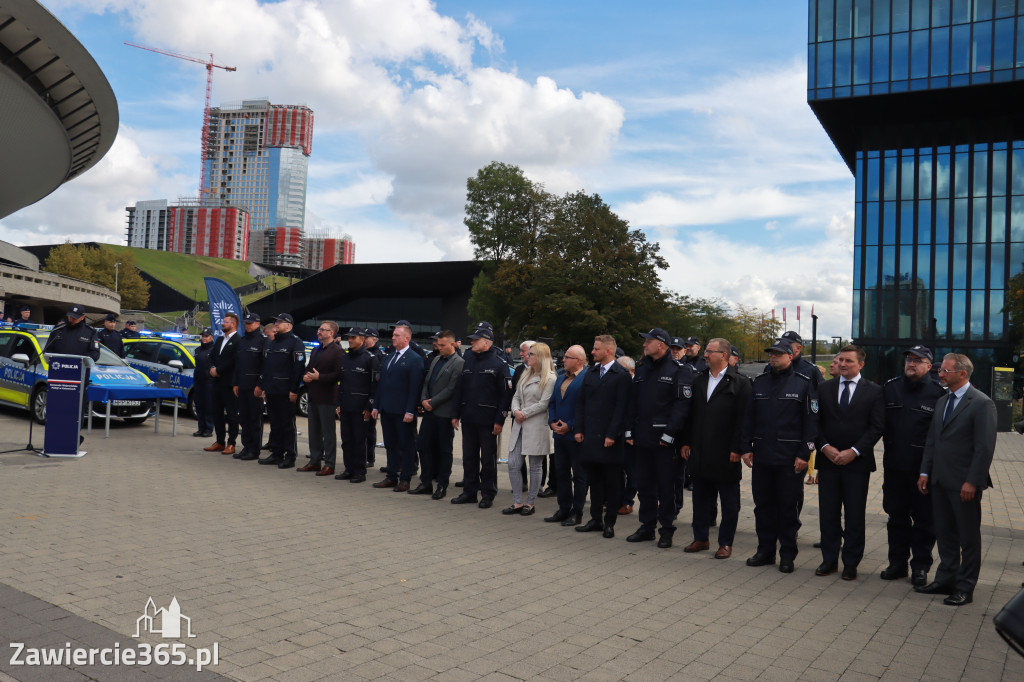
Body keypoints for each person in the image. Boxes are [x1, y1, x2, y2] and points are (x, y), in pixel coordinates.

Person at [916, 353, 997, 607]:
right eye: (940, 370)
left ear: (962, 374)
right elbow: (932, 441)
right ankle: (945, 579)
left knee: (968, 538)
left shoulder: (981, 403)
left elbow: (984, 449)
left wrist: (972, 481)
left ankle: (965, 587)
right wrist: (925, 472)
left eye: (945, 371)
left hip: (964, 485)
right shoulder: (943, 401)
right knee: (945, 534)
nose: (940, 374)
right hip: (939, 481)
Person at [740, 339, 818, 574]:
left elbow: (812, 422)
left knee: (787, 508)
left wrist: (805, 453)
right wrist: (745, 446)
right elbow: (748, 418)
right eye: (771, 353)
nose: (773, 357)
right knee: (763, 506)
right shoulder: (760, 382)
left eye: (778, 354)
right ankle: (765, 550)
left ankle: (787, 554)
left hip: (789, 458)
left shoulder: (804, 383)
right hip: (763, 455)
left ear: (790, 356)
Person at [813, 345, 884, 581]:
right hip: (829, 461)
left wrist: (854, 451)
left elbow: (876, 427)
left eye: (849, 361)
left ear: (861, 365)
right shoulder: (824, 388)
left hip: (857, 464)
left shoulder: (874, 391)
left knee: (854, 516)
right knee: (828, 514)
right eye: (840, 360)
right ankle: (829, 559)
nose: (843, 364)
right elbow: (815, 423)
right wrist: (825, 448)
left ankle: (851, 563)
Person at [681, 338, 751, 559]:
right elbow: (690, 415)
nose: (706, 355)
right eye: (707, 351)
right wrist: (686, 441)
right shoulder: (698, 380)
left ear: (723, 355)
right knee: (700, 498)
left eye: (710, 351)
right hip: (701, 450)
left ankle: (726, 542)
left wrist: (738, 447)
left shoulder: (740, 383)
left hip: (726, 452)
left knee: (729, 502)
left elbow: (744, 420)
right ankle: (701, 538)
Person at [880, 345, 945, 586]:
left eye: (918, 360)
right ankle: (897, 563)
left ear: (929, 366)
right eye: (909, 359)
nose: (911, 363)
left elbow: (940, 437)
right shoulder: (891, 388)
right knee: (896, 517)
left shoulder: (938, 394)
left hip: (922, 472)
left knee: (924, 521)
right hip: (895, 467)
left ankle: (920, 566)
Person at [625, 328, 692, 548]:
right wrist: (629, 431)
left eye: (648, 341)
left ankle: (666, 530)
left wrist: (670, 434)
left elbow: (682, 406)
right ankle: (647, 526)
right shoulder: (642, 368)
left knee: (666, 488)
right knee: (644, 485)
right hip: (642, 438)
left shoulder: (678, 370)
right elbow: (632, 403)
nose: (644, 345)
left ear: (660, 345)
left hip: (665, 441)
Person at [574, 335, 632, 537]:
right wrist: (579, 429)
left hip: (610, 440)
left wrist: (612, 434)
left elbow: (621, 408)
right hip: (590, 436)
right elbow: (581, 403)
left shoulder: (621, 375)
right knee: (595, 481)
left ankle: (610, 523)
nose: (592, 352)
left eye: (596, 349)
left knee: (613, 483)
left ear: (608, 351)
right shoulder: (591, 372)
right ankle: (595, 519)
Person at [451, 321, 510, 509]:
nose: (472, 343)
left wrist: (500, 420)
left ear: (487, 342)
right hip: (468, 417)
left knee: (487, 460)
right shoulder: (467, 360)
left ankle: (488, 493)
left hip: (488, 421)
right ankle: (469, 492)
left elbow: (505, 395)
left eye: (476, 340)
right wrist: (455, 414)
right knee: (468, 458)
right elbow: (459, 389)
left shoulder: (499, 364)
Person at [502, 342, 557, 516]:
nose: (527, 356)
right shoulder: (526, 373)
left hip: (535, 426)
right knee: (513, 463)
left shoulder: (550, 378)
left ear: (541, 357)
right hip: (520, 424)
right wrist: (516, 411)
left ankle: (530, 503)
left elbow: (544, 403)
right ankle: (517, 502)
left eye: (531, 354)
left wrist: (523, 413)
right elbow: (516, 395)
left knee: (535, 466)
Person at [371, 321, 424, 491]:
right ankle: (391, 476)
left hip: (403, 411)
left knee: (406, 445)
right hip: (387, 409)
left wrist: (410, 410)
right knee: (390, 444)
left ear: (407, 338)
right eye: (393, 335)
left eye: (396, 335)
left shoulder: (414, 359)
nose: (393, 337)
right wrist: (376, 406)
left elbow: (415, 388)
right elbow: (382, 384)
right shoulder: (389, 357)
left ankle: (405, 478)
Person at [414, 330, 463, 498]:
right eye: (437, 344)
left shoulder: (459, 363)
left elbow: (451, 388)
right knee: (423, 445)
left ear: (452, 344)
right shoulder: (435, 359)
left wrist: (432, 403)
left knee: (444, 450)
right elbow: (427, 382)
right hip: (429, 412)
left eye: (442, 345)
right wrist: (423, 400)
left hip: (444, 413)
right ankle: (425, 482)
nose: (438, 347)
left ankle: (442, 485)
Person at [546, 345, 588, 525]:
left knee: (579, 476)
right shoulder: (561, 377)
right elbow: (553, 402)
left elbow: (587, 407)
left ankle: (577, 511)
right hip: (559, 435)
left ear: (579, 361)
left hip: (575, 435)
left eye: (567, 357)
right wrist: (552, 421)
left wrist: (570, 426)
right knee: (561, 473)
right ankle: (563, 508)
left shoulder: (587, 378)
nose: (563, 360)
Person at [257, 313, 306, 469]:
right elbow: (267, 367)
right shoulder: (273, 343)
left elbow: (298, 368)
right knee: (275, 424)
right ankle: (276, 454)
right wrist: (264, 386)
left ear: (289, 325)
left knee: (287, 425)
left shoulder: (295, 343)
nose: (276, 324)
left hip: (285, 391)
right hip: (272, 390)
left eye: (280, 322)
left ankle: (290, 456)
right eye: (276, 322)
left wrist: (294, 389)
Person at [297, 322, 343, 476]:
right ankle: (315, 461)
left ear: (331, 333)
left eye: (323, 330)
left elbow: (338, 374)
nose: (319, 332)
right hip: (313, 395)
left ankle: (329, 464)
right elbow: (309, 367)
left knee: (328, 432)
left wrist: (319, 377)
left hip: (327, 397)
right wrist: (306, 376)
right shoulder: (316, 349)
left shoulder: (338, 351)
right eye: (319, 329)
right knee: (314, 431)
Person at [335, 328, 379, 484]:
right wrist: (339, 404)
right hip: (346, 406)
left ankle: (360, 472)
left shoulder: (370, 359)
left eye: (353, 337)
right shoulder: (345, 358)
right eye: (349, 337)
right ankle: (349, 469)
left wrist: (370, 406)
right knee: (346, 440)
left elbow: (374, 386)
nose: (350, 340)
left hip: (361, 409)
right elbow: (342, 383)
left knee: (359, 441)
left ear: (362, 339)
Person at [204, 313, 240, 455]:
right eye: (222, 321)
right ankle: (219, 441)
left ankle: (231, 443)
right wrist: (212, 369)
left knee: (231, 415)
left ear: (233, 324)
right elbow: (211, 357)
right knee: (216, 413)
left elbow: (234, 361)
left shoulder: (238, 340)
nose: (222, 324)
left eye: (225, 322)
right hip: (216, 382)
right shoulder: (219, 340)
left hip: (229, 383)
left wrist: (218, 370)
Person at [233, 313, 267, 461]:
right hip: (242, 385)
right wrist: (235, 383)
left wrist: (260, 385)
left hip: (255, 387)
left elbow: (265, 366)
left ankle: (254, 449)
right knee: (244, 419)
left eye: (251, 323)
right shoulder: (242, 341)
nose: (248, 325)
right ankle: (246, 447)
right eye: (246, 323)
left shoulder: (263, 341)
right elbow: (237, 365)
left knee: (254, 420)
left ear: (258, 324)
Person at [616, 355, 637, 515]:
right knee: (617, 468)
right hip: (615, 433)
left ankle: (627, 501)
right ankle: (615, 499)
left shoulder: (637, 385)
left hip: (631, 435)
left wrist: (630, 433)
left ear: (632, 371)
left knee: (632, 470)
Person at [363, 327, 384, 469]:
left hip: (371, 398)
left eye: (367, 337)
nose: (364, 340)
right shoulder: (360, 353)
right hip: (359, 396)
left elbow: (378, 380)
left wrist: (373, 401)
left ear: (374, 339)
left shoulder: (379, 355)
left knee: (369, 430)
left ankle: (369, 457)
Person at [191, 328, 215, 439]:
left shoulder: (214, 350)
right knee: (199, 406)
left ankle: (208, 429)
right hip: (198, 381)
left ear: (211, 337)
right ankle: (201, 428)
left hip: (209, 382)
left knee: (209, 406)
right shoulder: (198, 350)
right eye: (203, 336)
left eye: (206, 336)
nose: (204, 338)